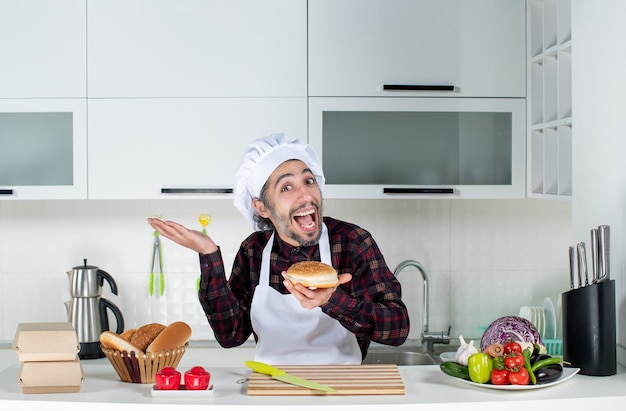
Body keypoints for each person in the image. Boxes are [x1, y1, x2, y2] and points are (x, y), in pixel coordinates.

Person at [147, 133, 409, 364]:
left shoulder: (352, 242)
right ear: (262, 207)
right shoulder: (254, 251)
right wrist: (208, 255)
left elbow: (398, 329)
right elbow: (230, 336)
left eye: (309, 181)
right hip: (270, 391)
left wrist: (334, 300)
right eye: (287, 187)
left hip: (341, 391)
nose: (306, 196)